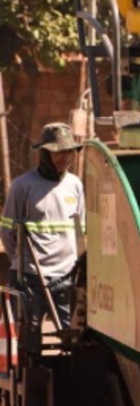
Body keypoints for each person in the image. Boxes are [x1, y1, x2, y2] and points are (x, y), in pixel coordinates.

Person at [0, 123, 85, 356]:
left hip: (65, 277)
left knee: (70, 339)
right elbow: (8, 233)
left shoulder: (75, 186)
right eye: (59, 152)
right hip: (30, 278)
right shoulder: (22, 186)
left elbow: (80, 232)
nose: (65, 158)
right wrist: (21, 262)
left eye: (69, 152)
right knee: (30, 339)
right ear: (45, 154)